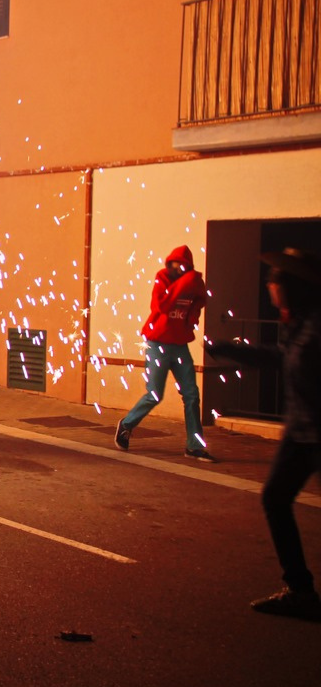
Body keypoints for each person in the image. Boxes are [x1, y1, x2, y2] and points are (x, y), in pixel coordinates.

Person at [207, 248, 321, 620]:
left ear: (289, 286)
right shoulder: (300, 322)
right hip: (301, 431)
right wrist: (232, 352)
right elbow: (279, 358)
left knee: (275, 498)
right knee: (275, 498)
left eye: (274, 281)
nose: (269, 287)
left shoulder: (317, 324)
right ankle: (299, 589)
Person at [114, 245, 215, 462]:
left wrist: (192, 315)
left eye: (184, 266)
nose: (179, 267)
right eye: (176, 264)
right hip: (158, 343)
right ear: (170, 264)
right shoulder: (162, 278)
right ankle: (127, 424)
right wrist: (183, 285)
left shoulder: (192, 284)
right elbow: (160, 306)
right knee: (154, 394)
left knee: (191, 395)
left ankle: (194, 446)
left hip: (180, 344)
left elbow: (199, 301)